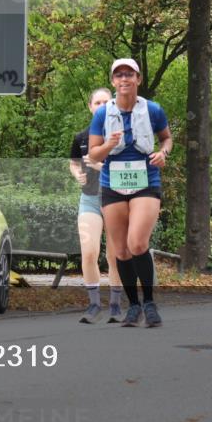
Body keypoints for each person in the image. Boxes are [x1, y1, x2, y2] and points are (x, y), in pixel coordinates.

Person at [87, 59, 172, 328]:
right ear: (113, 81)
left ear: (138, 78)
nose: (124, 79)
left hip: (146, 181)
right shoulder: (103, 114)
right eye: (119, 75)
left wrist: (163, 153)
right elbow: (94, 154)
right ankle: (133, 305)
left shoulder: (153, 110)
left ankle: (149, 303)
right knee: (121, 250)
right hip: (113, 183)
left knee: (137, 244)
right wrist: (109, 144)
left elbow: (166, 138)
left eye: (129, 74)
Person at [70, 88, 123, 323]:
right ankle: (93, 305)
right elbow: (73, 163)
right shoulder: (81, 137)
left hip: (114, 199)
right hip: (89, 198)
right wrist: (77, 174)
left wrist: (100, 166)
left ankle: (115, 305)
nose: (102, 106)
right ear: (90, 107)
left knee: (114, 256)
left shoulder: (119, 137)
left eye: (106, 102)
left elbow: (127, 169)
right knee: (89, 251)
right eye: (97, 102)